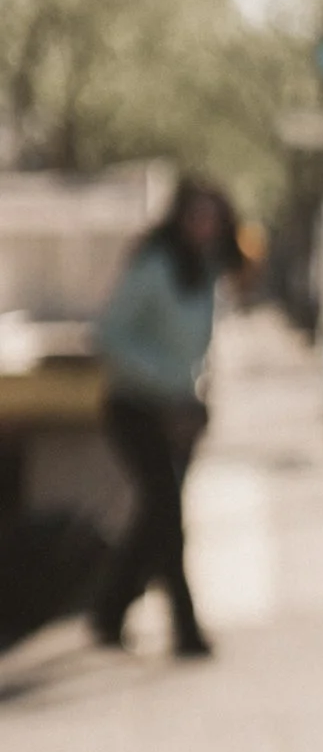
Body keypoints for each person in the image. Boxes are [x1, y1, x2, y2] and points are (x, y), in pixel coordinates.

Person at [88, 174, 240, 659]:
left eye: (211, 216)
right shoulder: (154, 265)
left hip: (180, 413)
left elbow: (199, 349)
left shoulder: (207, 269)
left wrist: (193, 399)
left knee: (156, 519)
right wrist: (165, 389)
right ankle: (186, 630)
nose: (204, 225)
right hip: (136, 408)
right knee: (167, 516)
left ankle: (108, 612)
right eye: (196, 215)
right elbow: (111, 335)